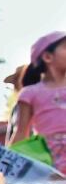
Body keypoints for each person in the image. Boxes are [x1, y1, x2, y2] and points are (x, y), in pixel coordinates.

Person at [9, 30, 66, 174]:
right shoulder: (30, 93)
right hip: (50, 165)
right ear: (47, 57)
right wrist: (7, 166)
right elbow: (21, 133)